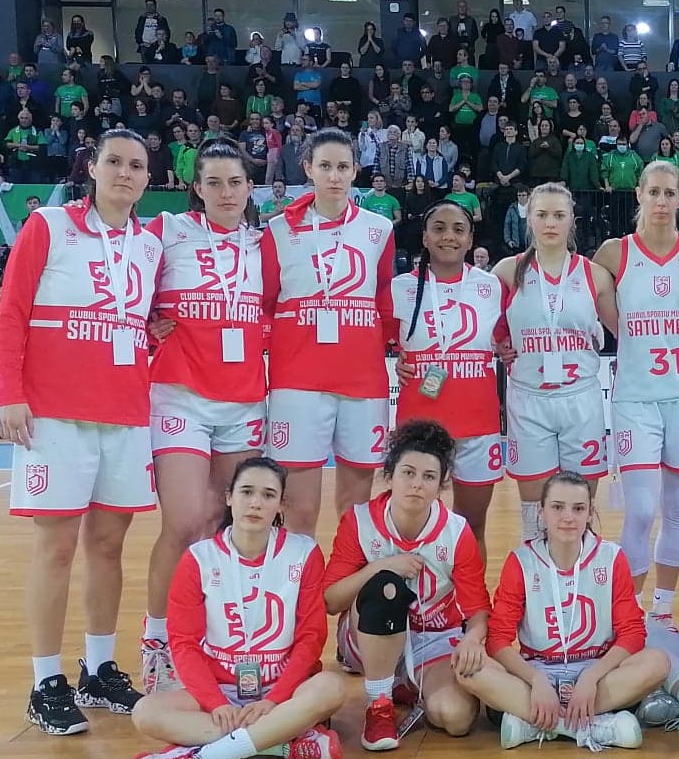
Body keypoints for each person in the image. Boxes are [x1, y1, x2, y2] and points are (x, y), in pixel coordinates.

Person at [0, 129, 167, 735]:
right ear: (91, 166)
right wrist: (10, 394)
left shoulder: (149, 244)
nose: (125, 173)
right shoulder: (49, 225)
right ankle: (45, 680)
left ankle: (98, 668)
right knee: (57, 547)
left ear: (149, 179)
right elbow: (13, 311)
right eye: (114, 161)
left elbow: (139, 319)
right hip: (54, 414)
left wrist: (153, 331)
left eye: (137, 165)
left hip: (123, 413)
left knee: (107, 546)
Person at [126, 459, 347, 759]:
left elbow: (311, 637)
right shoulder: (199, 558)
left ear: (281, 504)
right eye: (247, 492)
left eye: (268, 495)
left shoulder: (303, 553)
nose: (256, 502)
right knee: (145, 712)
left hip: (282, 693)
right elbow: (183, 642)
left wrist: (275, 700)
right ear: (229, 497)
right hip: (221, 693)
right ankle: (282, 743)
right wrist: (217, 703)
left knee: (332, 686)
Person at [138, 139, 267, 694]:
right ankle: (158, 640)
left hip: (243, 399)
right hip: (181, 395)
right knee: (186, 521)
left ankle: (217, 639)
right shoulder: (168, 231)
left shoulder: (265, 243)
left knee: (225, 524)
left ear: (249, 187)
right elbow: (119, 275)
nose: (225, 192)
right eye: (213, 182)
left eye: (234, 182)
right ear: (196, 187)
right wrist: (144, 321)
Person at [458, 471, 669, 750]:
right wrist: (536, 680)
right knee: (465, 670)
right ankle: (590, 726)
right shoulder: (521, 561)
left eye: (578, 508)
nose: (568, 517)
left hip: (596, 670)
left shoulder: (611, 557)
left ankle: (536, 722)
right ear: (541, 512)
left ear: (590, 514)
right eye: (557, 507)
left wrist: (591, 677)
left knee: (657, 663)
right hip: (537, 670)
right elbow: (498, 639)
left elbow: (632, 633)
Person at [322, 420, 491, 753]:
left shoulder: (456, 532)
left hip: (432, 639)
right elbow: (330, 599)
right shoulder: (360, 521)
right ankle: (379, 704)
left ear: (442, 484)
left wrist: (473, 637)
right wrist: (379, 566)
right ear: (390, 475)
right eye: (408, 473)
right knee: (386, 586)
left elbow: (477, 608)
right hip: (368, 635)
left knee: (455, 718)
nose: (417, 485)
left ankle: (409, 685)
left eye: (429, 477)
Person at [260, 128, 396, 537]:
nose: (334, 176)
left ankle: (352, 596)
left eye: (342, 167)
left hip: (362, 380)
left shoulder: (379, 229)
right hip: (298, 381)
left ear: (356, 170)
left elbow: (385, 298)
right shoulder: (279, 229)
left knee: (355, 511)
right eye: (325, 167)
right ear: (308, 169)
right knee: (300, 508)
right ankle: (299, 596)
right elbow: (265, 301)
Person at [593, 160, 679, 622]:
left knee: (678, 509)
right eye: (654, 192)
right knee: (641, 509)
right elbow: (583, 294)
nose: (662, 201)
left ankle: (662, 610)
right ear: (638, 194)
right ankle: (629, 611)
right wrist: (622, 333)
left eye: (671, 193)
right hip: (636, 398)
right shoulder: (613, 253)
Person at [496, 183, 619, 542]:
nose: (550, 222)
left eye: (559, 215)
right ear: (529, 219)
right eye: (542, 214)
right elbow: (483, 328)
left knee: (580, 507)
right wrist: (500, 344)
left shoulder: (593, 274)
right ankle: (537, 592)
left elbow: (626, 334)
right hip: (528, 399)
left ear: (572, 222)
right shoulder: (507, 271)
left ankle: (582, 587)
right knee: (533, 515)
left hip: (581, 399)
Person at [390, 199, 505, 545]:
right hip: (420, 425)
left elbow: (505, 338)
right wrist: (397, 359)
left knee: (472, 529)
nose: (448, 237)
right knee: (413, 528)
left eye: (458, 229)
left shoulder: (491, 287)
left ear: (471, 240)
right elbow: (377, 340)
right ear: (424, 238)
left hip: (478, 424)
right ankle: (419, 600)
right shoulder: (400, 288)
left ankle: (469, 601)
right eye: (438, 228)